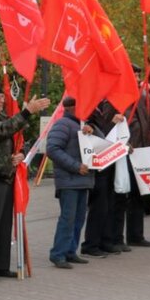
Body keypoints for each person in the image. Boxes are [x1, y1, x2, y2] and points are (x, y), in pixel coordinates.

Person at [0, 82, 50, 282]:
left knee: (4, 224)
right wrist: (26, 112)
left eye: (1, 97)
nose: (2, 100)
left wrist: (19, 154)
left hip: (7, 175)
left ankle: (0, 266)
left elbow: (14, 138)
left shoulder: (2, 116)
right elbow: (1, 131)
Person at [47, 97, 95, 268]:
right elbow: (52, 149)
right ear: (72, 108)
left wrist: (93, 130)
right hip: (69, 180)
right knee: (68, 218)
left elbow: (102, 144)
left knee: (78, 218)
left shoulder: (83, 125)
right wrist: (76, 166)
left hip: (82, 180)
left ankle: (70, 251)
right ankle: (58, 254)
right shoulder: (63, 124)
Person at [82, 100, 124, 257]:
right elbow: (100, 137)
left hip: (107, 162)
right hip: (96, 166)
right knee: (98, 207)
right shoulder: (87, 113)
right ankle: (91, 244)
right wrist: (112, 124)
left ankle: (106, 241)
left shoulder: (99, 110)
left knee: (108, 205)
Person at [125, 77, 150, 247]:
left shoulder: (145, 98)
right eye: (134, 75)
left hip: (143, 152)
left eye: (139, 75)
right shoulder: (121, 97)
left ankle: (136, 235)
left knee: (139, 196)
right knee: (123, 198)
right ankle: (117, 237)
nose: (137, 78)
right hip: (128, 152)